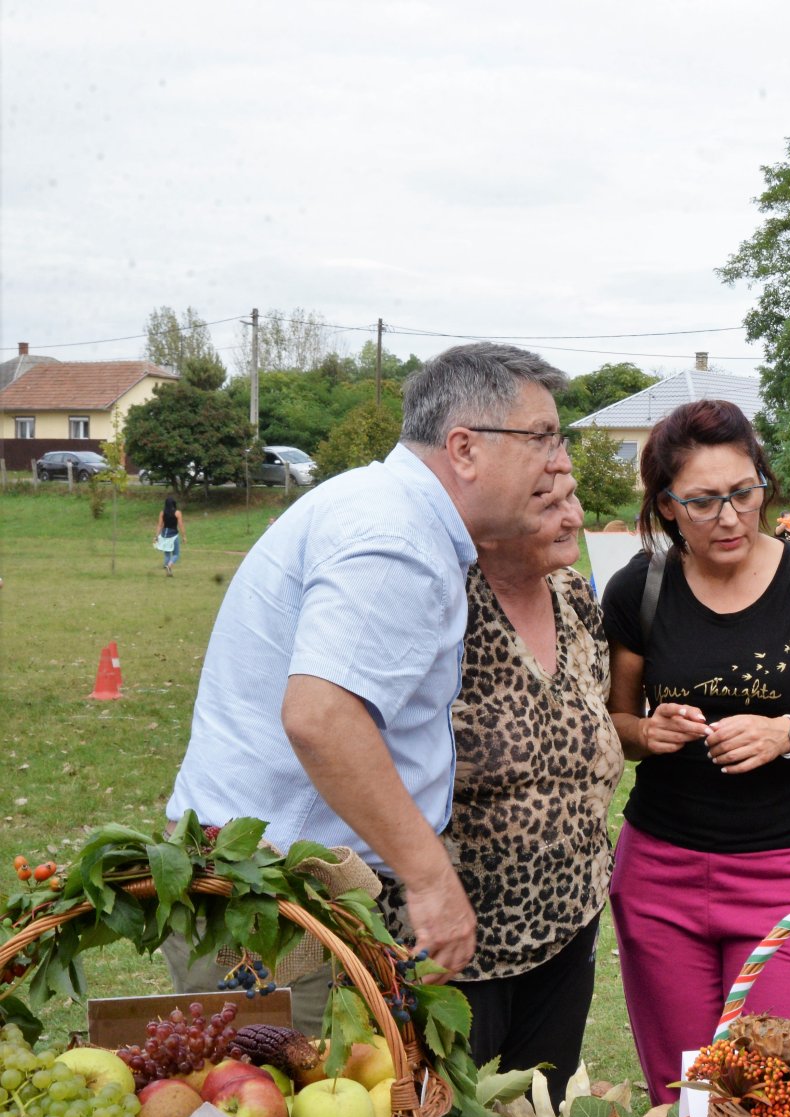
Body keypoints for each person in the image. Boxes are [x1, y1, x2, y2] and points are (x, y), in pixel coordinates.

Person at [164, 343, 576, 1029]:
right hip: (274, 900)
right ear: (464, 448)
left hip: (273, 883)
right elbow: (321, 717)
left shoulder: (384, 510)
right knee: (286, 1115)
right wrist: (431, 878)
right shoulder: (398, 540)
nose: (557, 460)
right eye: (541, 438)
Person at [602, 400, 790, 1104]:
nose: (729, 518)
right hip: (660, 876)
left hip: (781, 875)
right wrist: (648, 730)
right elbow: (611, 722)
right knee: (684, 1096)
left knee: (775, 1097)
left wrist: (788, 733)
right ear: (666, 507)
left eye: (743, 493)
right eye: (702, 502)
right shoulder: (641, 587)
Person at [396, 493, 620, 1100]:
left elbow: (593, 717)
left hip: (570, 917)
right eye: (548, 505)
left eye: (575, 497)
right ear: (487, 524)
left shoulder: (575, 597)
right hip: (458, 938)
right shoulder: (441, 598)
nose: (575, 516)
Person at [155, 497, 182, 576]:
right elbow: (181, 525)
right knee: (176, 554)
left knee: (167, 554)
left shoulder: (162, 513)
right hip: (173, 535)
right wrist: (184, 536)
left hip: (164, 535)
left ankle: (167, 569)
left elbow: (160, 525)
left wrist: (156, 536)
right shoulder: (177, 513)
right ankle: (169, 566)